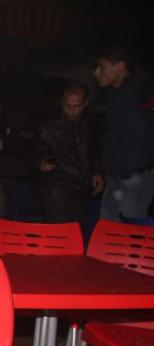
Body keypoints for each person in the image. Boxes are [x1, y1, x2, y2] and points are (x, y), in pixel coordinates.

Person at [93, 45, 154, 220]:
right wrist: (100, 169)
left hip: (136, 179)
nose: (96, 72)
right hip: (114, 178)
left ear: (120, 66)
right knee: (107, 231)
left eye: (101, 67)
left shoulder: (143, 86)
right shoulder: (111, 92)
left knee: (127, 232)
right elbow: (109, 135)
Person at [36, 83, 103, 224]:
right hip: (57, 190)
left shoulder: (90, 125)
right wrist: (40, 164)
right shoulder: (50, 126)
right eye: (68, 106)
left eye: (76, 106)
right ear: (62, 103)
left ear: (85, 103)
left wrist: (97, 172)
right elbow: (35, 153)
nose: (72, 110)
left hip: (82, 190)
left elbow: (94, 152)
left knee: (77, 232)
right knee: (59, 232)